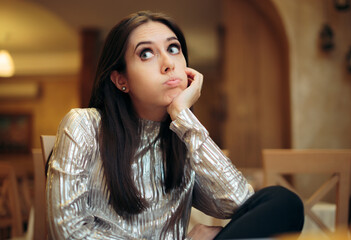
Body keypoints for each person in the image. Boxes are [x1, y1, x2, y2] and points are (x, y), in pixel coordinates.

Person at [46, 11, 304, 240]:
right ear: (120, 79)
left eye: (173, 49)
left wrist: (183, 116)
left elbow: (238, 203)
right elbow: (69, 231)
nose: (168, 63)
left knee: (284, 202)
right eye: (146, 53)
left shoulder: (182, 138)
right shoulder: (85, 124)